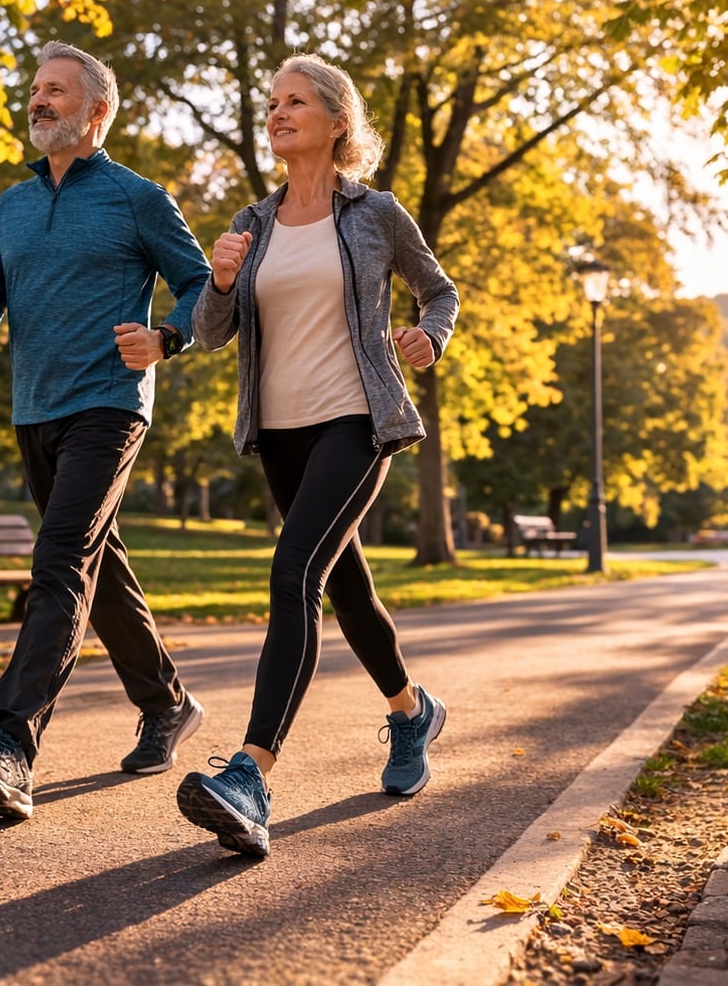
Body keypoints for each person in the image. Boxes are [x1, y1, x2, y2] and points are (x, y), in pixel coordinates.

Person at [176, 53, 460, 859]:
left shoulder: (376, 213)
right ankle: (412, 713)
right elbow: (210, 332)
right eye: (272, 102)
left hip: (356, 420)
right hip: (279, 429)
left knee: (292, 571)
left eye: (295, 101)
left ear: (338, 122)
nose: (277, 113)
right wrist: (222, 281)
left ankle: (249, 774)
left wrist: (426, 337)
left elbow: (437, 291)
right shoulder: (252, 220)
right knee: (347, 587)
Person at [0, 40, 213, 820]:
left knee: (59, 557)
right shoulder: (10, 205)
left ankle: (9, 746)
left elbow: (200, 285)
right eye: (35, 90)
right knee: (97, 562)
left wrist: (167, 337)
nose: (39, 101)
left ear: (96, 110)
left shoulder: (138, 198)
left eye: (55, 91)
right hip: (35, 406)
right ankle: (167, 704)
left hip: (109, 402)